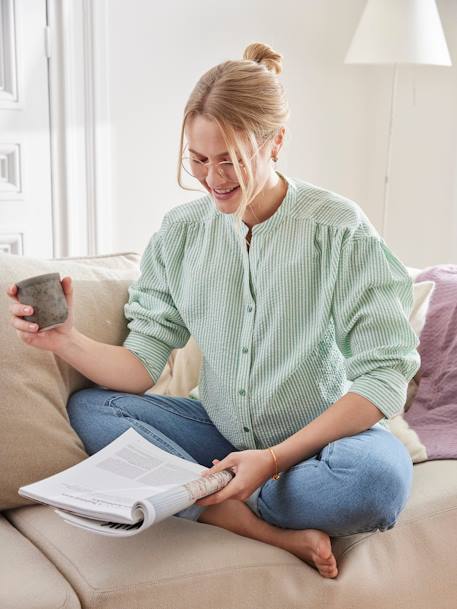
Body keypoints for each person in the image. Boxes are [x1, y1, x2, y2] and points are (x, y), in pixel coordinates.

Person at [7, 42, 420, 580]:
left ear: (276, 143)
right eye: (198, 160)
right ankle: (239, 514)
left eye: (231, 159)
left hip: (322, 441)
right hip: (219, 434)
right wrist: (65, 340)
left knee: (377, 484)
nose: (213, 178)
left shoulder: (337, 229)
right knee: (93, 410)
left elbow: (384, 374)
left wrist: (271, 460)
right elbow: (140, 368)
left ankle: (208, 501)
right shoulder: (181, 234)